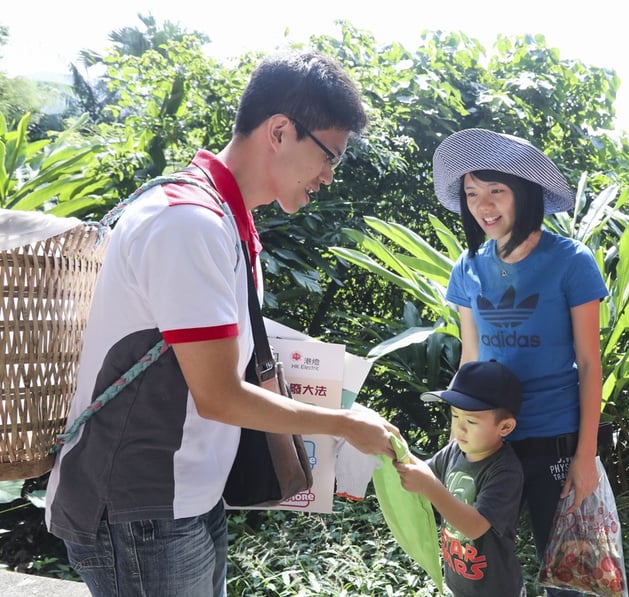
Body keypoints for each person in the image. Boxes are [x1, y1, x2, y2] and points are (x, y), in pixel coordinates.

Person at [44, 50, 398, 597]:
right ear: (280, 131)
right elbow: (218, 396)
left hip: (184, 498)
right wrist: (345, 427)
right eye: (330, 156)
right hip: (140, 508)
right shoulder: (188, 223)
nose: (329, 176)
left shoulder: (227, 219)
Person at [432, 128, 609, 596]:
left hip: (556, 440)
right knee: (482, 564)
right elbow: (470, 359)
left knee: (568, 576)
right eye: (472, 194)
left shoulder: (572, 261)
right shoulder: (466, 268)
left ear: (524, 192)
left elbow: (590, 363)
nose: (483, 206)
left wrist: (585, 455)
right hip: (490, 447)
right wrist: (459, 437)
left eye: (496, 191)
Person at [397, 360, 526, 597]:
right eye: (455, 416)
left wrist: (428, 485)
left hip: (496, 590)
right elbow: (422, 471)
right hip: (459, 582)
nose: (460, 428)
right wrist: (391, 450)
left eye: (471, 421)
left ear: (505, 427)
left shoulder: (505, 470)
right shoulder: (454, 451)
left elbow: (475, 526)